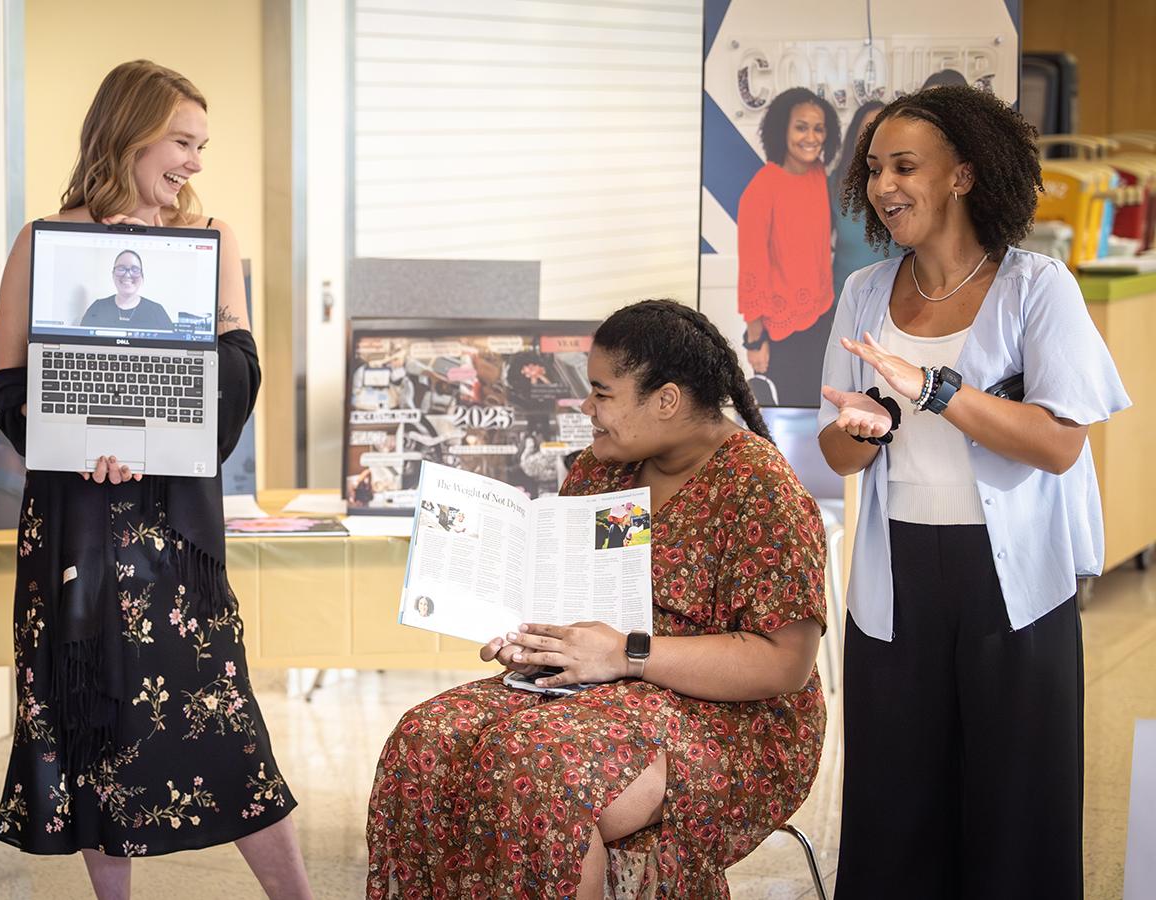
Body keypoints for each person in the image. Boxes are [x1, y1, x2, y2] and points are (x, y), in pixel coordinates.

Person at [366, 298, 828, 899]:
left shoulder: (760, 488)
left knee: (539, 772)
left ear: (666, 400)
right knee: (422, 741)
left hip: (733, 717)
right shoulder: (602, 470)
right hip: (600, 690)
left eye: (602, 394)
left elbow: (784, 664)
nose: (586, 408)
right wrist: (539, 642)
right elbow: (574, 599)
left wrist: (624, 655)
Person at [0, 60, 312, 900]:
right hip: (73, 517)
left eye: (203, 145)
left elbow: (239, 368)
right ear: (128, 133)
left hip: (172, 526)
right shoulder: (43, 240)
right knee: (90, 710)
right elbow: (8, 383)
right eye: (182, 141)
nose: (196, 163)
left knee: (224, 716)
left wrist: (150, 437)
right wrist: (76, 437)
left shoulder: (212, 241)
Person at [819, 85, 1130, 899]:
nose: (885, 185)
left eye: (906, 166)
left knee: (1015, 800)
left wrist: (933, 389)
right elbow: (836, 451)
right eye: (876, 168)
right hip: (898, 580)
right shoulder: (863, 294)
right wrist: (860, 430)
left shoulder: (1037, 287)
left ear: (962, 175)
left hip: (1014, 580)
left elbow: (1060, 444)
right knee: (896, 802)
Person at [737, 87, 840, 407]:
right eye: (801, 126)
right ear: (783, 129)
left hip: (824, 318)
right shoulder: (761, 189)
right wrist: (756, 342)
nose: (811, 136)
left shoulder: (818, 175)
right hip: (782, 334)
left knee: (820, 409)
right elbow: (752, 272)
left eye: (818, 128)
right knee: (789, 421)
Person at [829, 100, 892, 304]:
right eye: (867, 131)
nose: (874, 139)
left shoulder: (905, 188)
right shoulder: (835, 185)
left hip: (893, 303)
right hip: (844, 302)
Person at [79, 250, 175, 329]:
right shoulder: (97, 307)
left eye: (135, 269)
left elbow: (172, 346)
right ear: (113, 274)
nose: (127, 275)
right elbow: (81, 342)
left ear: (142, 277)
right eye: (121, 268)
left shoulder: (157, 311)